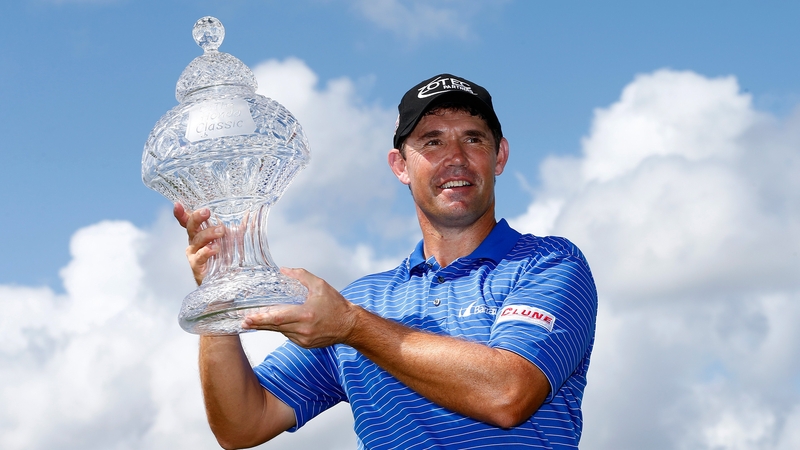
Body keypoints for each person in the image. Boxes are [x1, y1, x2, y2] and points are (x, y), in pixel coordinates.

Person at [174, 73, 598, 449]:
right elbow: (243, 425)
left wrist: (354, 327)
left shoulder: (549, 263)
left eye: (473, 138)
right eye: (432, 141)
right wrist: (218, 298)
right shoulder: (363, 300)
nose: (455, 156)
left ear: (499, 156)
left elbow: (508, 394)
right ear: (400, 165)